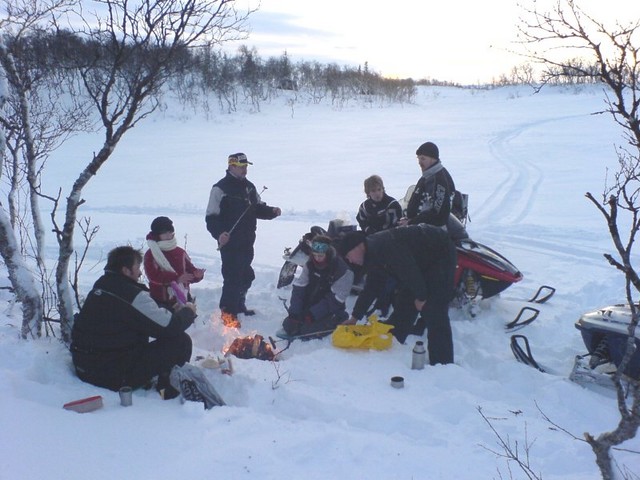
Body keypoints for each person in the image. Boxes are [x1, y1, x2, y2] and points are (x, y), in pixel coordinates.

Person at [70, 246, 197, 399]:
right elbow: (169, 327)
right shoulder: (130, 295)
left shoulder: (103, 286)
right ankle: (167, 388)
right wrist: (188, 311)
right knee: (180, 342)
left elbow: (139, 312)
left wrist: (170, 310)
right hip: (110, 375)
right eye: (137, 267)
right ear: (126, 270)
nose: (140, 272)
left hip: (85, 367)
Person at [336, 225, 457, 365]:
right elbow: (372, 287)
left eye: (348, 255)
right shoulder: (372, 254)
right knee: (405, 303)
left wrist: (421, 297)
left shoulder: (385, 246)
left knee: (434, 309)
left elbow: (409, 270)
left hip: (440, 252)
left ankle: (443, 363)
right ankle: (394, 342)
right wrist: (355, 317)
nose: (350, 260)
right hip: (418, 261)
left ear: (358, 246)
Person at [205, 152, 281, 327]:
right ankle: (227, 313)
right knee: (232, 277)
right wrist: (219, 234)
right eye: (241, 167)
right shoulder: (220, 188)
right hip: (230, 243)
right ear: (231, 166)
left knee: (247, 275)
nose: (244, 170)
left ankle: (239, 305)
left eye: (246, 167)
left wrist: (271, 212)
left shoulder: (250, 188)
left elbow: (257, 209)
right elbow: (211, 217)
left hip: (247, 241)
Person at [279, 235, 354, 339]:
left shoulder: (343, 271)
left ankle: (338, 319)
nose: (317, 258)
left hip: (331, 309)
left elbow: (336, 300)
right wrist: (294, 313)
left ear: (327, 254)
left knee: (306, 330)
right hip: (310, 305)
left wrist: (313, 314)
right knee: (288, 325)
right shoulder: (310, 264)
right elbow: (299, 287)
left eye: (321, 256)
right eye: (315, 255)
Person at [354, 175, 402, 316]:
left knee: (386, 275)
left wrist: (383, 237)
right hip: (372, 243)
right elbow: (362, 222)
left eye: (379, 189)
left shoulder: (392, 205)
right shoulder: (365, 206)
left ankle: (384, 303)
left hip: (390, 244)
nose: (377, 193)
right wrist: (369, 232)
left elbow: (398, 226)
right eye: (373, 191)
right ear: (368, 193)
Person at [144, 216, 205, 310]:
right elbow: (153, 276)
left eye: (170, 232)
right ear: (157, 235)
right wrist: (176, 279)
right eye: (164, 233)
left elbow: (189, 273)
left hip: (183, 300)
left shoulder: (180, 252)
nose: (168, 235)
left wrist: (197, 275)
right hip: (161, 302)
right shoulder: (151, 254)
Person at [400, 141, 455, 228]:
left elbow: (438, 214)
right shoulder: (427, 176)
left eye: (423, 159)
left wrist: (411, 222)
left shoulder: (439, 180)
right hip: (417, 225)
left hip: (430, 230)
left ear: (433, 159)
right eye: (418, 159)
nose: (419, 162)